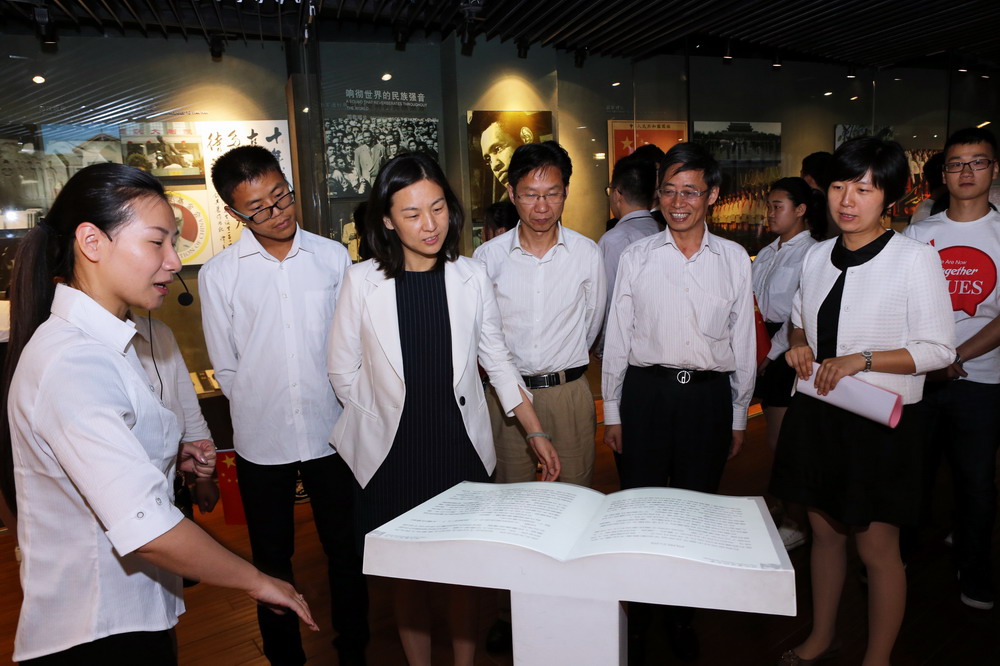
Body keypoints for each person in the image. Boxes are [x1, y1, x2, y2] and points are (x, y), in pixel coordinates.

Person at [0, 163, 316, 665]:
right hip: (96, 629)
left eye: (174, 242)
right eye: (156, 242)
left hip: (132, 616)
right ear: (92, 241)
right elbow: (143, 524)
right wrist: (258, 580)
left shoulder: (111, 344)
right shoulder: (73, 361)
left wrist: (167, 457)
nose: (174, 261)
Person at [328, 152, 560, 666]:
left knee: (463, 576)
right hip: (391, 456)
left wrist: (535, 432)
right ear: (388, 219)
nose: (430, 224)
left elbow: (497, 361)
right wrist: (379, 415)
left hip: (458, 449)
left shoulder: (470, 276)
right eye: (412, 213)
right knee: (407, 579)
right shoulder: (360, 281)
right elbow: (342, 371)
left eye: (437, 208)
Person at [770, 137, 955, 666]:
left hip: (879, 420)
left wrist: (862, 360)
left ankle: (877, 659)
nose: (847, 200)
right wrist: (800, 345)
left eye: (864, 189)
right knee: (824, 535)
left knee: (877, 549)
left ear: (890, 198)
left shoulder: (914, 259)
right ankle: (822, 635)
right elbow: (800, 318)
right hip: (820, 411)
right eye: (838, 186)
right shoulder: (816, 256)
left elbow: (939, 349)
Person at [199, 147, 368, 666]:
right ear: (234, 213)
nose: (278, 213)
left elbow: (350, 345)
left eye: (282, 197)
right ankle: (285, 658)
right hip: (262, 439)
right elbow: (226, 366)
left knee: (347, 551)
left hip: (331, 430)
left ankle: (354, 651)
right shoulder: (219, 274)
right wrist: (261, 405)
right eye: (260, 208)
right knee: (272, 560)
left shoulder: (332, 257)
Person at [602, 141, 755, 662]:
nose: (678, 202)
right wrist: (612, 410)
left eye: (690, 191)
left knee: (696, 513)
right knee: (641, 514)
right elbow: (618, 338)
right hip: (646, 395)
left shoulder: (733, 259)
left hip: (707, 401)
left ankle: (682, 616)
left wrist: (738, 414)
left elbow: (743, 343)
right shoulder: (637, 256)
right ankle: (640, 616)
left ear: (712, 195)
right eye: (668, 191)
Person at [903, 127, 1000, 610]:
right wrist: (933, 362)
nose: (966, 171)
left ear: (994, 170)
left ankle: (974, 569)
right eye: (957, 163)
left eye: (977, 161)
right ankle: (894, 560)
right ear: (943, 174)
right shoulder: (919, 234)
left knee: (977, 482)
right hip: (920, 380)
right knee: (909, 476)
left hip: (981, 380)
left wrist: (956, 357)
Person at [475, 141, 605, 489]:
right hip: (507, 397)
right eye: (531, 195)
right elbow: (485, 337)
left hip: (568, 394)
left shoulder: (586, 253)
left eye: (553, 194)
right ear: (511, 193)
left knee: (575, 494)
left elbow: (591, 323)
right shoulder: (487, 257)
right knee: (510, 496)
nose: (543, 207)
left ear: (566, 192)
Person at [752, 177, 822, 550]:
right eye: (769, 205)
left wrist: (769, 354)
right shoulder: (767, 252)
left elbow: (800, 315)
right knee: (774, 437)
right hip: (763, 341)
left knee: (787, 440)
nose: (770, 213)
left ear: (800, 210)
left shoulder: (812, 253)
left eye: (777, 206)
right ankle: (783, 503)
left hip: (789, 350)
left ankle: (798, 518)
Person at [132, 312, 220, 521]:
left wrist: (203, 476)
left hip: (174, 486)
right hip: (132, 499)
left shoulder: (160, 332)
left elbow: (186, 405)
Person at [599, 155, 660, 338]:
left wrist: (602, 346)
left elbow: (608, 301)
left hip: (625, 340)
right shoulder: (664, 231)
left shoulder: (613, 240)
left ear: (617, 194)